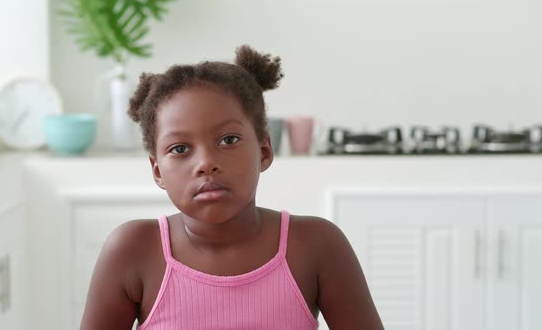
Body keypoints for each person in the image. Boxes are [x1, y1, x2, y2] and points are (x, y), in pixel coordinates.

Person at [80, 45, 384, 330]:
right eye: (180, 148)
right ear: (157, 171)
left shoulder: (318, 246)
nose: (206, 163)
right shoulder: (132, 250)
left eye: (228, 140)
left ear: (264, 150)